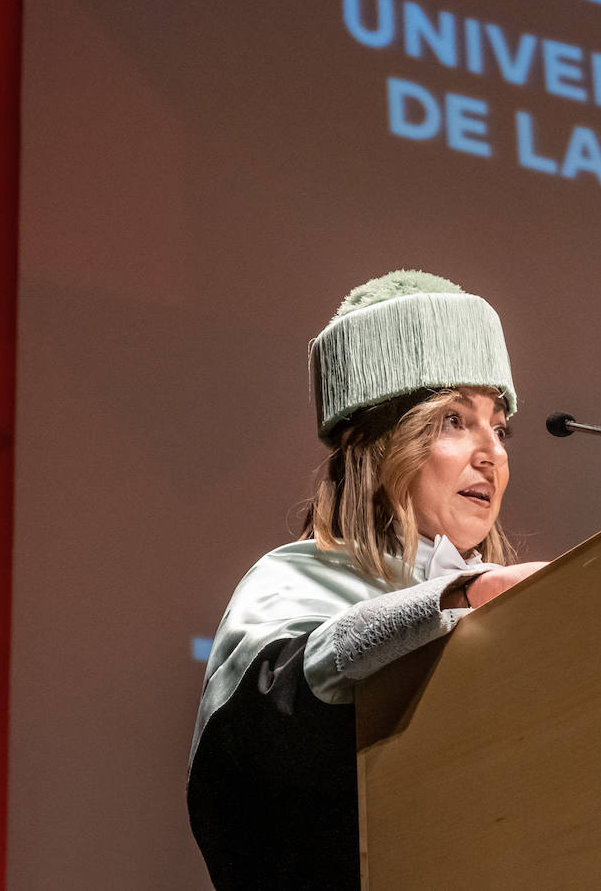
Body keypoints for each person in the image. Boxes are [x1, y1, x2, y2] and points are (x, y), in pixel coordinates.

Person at [187, 270, 546, 890]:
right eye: (455, 421)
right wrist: (449, 601)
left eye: (500, 426)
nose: (492, 452)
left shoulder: (509, 599)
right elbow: (259, 751)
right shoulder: (292, 582)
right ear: (381, 444)